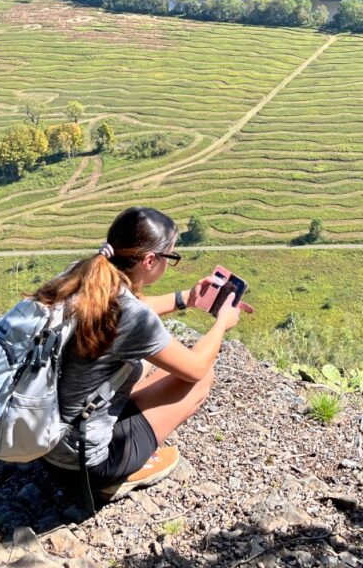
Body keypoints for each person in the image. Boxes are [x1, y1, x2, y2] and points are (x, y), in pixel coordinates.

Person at [38, 206, 241, 501]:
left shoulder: (80, 274)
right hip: (86, 462)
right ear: (149, 260)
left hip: (45, 437)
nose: (171, 262)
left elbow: (129, 309)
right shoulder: (132, 318)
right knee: (201, 379)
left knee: (140, 363)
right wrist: (223, 322)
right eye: (171, 257)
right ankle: (117, 476)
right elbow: (195, 368)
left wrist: (186, 299)